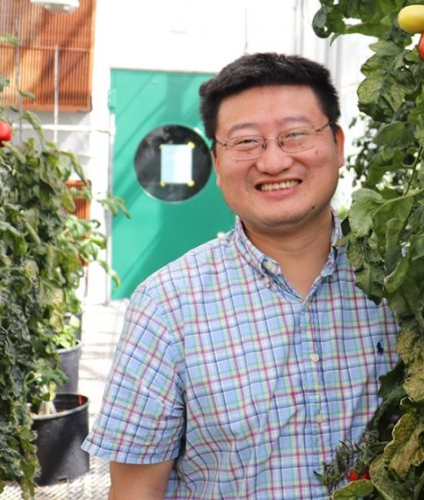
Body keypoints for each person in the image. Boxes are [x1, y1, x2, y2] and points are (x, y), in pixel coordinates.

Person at [82, 52, 399, 499]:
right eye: (246, 142)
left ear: (338, 144)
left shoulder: (405, 281)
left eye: (295, 135)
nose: (273, 162)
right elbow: (137, 491)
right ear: (215, 160)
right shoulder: (167, 304)